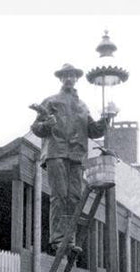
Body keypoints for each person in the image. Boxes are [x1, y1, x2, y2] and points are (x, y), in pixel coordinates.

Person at [31, 63, 109, 253]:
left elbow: (93, 131)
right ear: (60, 78)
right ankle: (58, 239)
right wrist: (47, 124)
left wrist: (106, 118)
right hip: (56, 153)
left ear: (76, 78)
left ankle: (69, 239)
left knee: (74, 198)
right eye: (65, 75)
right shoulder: (50, 101)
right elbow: (37, 128)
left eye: (72, 75)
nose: (69, 78)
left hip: (76, 155)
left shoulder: (83, 106)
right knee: (60, 196)